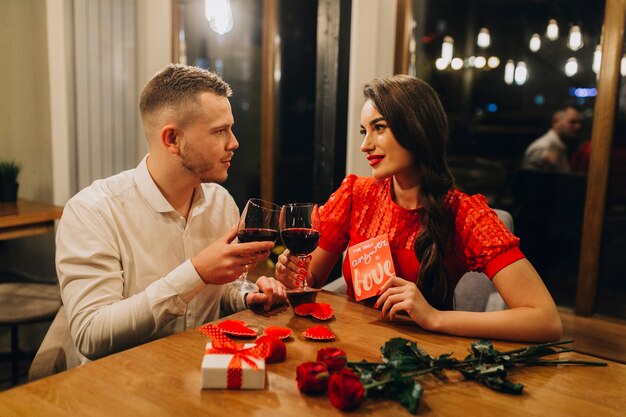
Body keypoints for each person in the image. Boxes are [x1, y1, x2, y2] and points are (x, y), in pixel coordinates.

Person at [275, 75, 562, 343]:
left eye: (379, 128)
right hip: (352, 344)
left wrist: (435, 318)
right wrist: (292, 278)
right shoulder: (356, 194)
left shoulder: (465, 213)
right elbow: (309, 282)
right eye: (364, 131)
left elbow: (546, 320)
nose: (365, 145)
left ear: (416, 129)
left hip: (423, 357)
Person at [56, 64, 286, 361]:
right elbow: (91, 335)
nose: (234, 142)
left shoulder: (220, 201)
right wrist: (196, 273)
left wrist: (246, 294)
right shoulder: (92, 212)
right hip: (125, 385)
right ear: (172, 140)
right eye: (220, 131)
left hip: (203, 370)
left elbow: (221, 290)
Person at [522, 105, 583, 172]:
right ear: (556, 122)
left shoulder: (562, 145)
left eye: (579, 123)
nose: (578, 126)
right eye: (572, 122)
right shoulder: (542, 147)